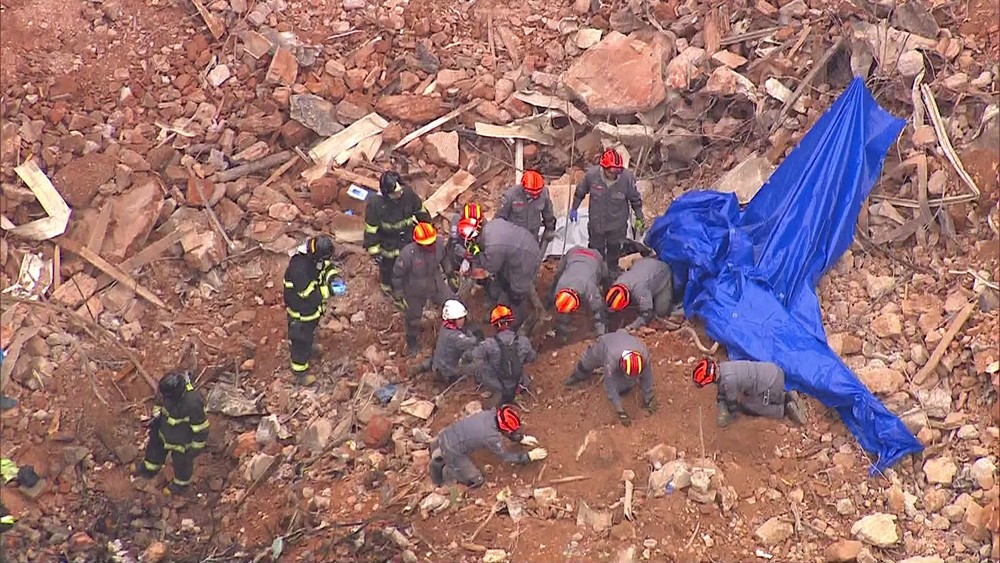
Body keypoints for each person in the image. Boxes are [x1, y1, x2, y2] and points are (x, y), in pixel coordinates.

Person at [569, 148, 645, 278]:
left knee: (614, 250)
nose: (614, 174)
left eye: (618, 171)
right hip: (597, 223)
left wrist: (639, 216)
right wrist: (574, 208)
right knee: (595, 251)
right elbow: (580, 192)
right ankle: (596, 274)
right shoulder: (592, 176)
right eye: (611, 171)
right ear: (604, 168)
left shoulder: (627, 178)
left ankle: (612, 273)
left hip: (617, 225)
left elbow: (635, 199)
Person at [429, 404, 547, 487]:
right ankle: (448, 472)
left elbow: (503, 428)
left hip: (446, 434)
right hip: (453, 449)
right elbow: (505, 456)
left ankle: (438, 455)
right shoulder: (491, 437)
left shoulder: (489, 414)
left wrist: (520, 438)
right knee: (478, 480)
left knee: (449, 448)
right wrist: (528, 457)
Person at [457, 217, 542, 332]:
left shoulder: (493, 247)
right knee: (503, 280)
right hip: (519, 247)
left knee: (516, 293)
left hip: (526, 258)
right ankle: (500, 308)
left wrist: (475, 260)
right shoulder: (491, 226)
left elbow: (491, 267)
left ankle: (514, 326)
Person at [135, 371, 209, 495]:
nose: (165, 399)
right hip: (163, 431)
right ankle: (148, 470)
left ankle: (180, 486)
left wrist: (193, 450)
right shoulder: (167, 393)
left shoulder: (193, 403)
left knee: (182, 464)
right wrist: (156, 416)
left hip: (181, 442)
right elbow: (159, 403)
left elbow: (201, 429)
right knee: (154, 452)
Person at [564, 329, 657, 426]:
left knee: (625, 385)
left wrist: (649, 398)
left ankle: (626, 386)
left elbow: (647, 376)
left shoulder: (644, 356)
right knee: (585, 363)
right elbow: (610, 385)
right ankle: (577, 375)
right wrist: (620, 410)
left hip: (624, 341)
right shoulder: (612, 359)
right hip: (604, 344)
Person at [364, 170, 432, 299]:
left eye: (400, 190)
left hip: (407, 237)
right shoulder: (376, 204)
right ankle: (388, 288)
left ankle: (410, 284)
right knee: (388, 267)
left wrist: (428, 227)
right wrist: (374, 251)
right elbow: (371, 230)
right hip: (388, 242)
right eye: (395, 193)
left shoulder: (408, 194)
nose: (399, 194)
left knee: (411, 262)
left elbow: (420, 211)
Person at [283, 236, 341, 385]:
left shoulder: (314, 258)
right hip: (300, 312)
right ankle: (300, 372)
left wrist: (333, 278)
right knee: (300, 339)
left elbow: (326, 267)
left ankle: (309, 348)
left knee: (309, 333)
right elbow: (308, 294)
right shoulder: (299, 268)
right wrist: (330, 290)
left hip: (310, 310)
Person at [392, 222, 454, 356]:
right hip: (414, 289)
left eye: (431, 242)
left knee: (451, 302)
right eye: (427, 244)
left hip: (435, 282)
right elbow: (397, 275)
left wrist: (450, 274)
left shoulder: (438, 244)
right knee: (413, 317)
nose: (430, 246)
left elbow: (444, 259)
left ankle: (459, 327)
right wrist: (398, 295)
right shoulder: (408, 254)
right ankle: (411, 340)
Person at [692, 359, 806, 427]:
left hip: (771, 385)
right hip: (774, 372)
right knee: (752, 393)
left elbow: (732, 402)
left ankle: (784, 409)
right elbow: (722, 388)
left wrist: (732, 416)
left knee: (748, 406)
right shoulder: (724, 367)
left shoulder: (729, 380)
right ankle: (786, 396)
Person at [468, 305, 536, 405]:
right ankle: (516, 393)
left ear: (494, 325)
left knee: (480, 366)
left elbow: (473, 357)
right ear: (511, 322)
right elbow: (532, 357)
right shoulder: (523, 341)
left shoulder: (488, 344)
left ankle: (498, 395)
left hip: (498, 387)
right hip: (518, 384)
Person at [547, 246, 609, 340]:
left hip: (589, 261)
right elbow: (558, 275)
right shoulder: (561, 287)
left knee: (594, 305)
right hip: (577, 259)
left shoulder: (588, 287)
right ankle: (563, 329)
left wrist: (549, 299)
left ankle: (562, 330)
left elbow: (559, 273)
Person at [605, 257, 673, 331]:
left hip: (662, 272)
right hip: (643, 264)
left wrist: (631, 327)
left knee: (661, 312)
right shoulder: (617, 283)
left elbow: (647, 314)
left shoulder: (639, 289)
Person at [496, 170, 556, 249]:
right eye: (532, 194)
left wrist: (550, 228)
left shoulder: (544, 193)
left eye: (537, 194)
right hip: (514, 238)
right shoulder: (510, 195)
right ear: (523, 187)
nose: (535, 197)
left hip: (532, 236)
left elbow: (548, 212)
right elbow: (499, 218)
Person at [431, 300, 482, 385]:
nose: (462, 320)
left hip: (440, 367)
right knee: (481, 363)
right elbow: (473, 342)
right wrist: (474, 336)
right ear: (452, 320)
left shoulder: (444, 327)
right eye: (459, 318)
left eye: (463, 317)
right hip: (449, 373)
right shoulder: (455, 337)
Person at [444, 203, 485, 293]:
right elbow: (454, 242)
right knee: (451, 259)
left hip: (473, 245)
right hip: (459, 243)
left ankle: (477, 281)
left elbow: (483, 241)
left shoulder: (483, 222)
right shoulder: (456, 221)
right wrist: (463, 253)